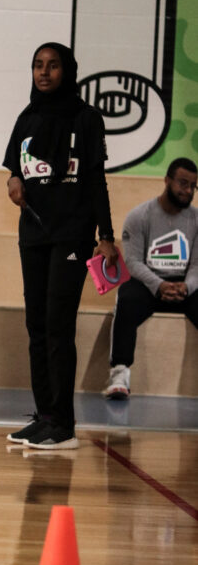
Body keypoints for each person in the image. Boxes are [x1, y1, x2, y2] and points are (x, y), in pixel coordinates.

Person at [3, 42, 118, 449]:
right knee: (36, 325)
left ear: (67, 71)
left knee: (57, 325)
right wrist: (13, 182)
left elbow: (95, 179)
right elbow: (14, 170)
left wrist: (105, 234)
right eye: (37, 65)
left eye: (52, 66)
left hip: (71, 233)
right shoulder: (27, 117)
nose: (44, 72)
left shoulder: (87, 119)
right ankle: (45, 416)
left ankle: (64, 425)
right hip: (33, 233)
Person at [104, 157, 198, 398]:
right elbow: (133, 262)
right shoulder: (140, 216)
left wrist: (186, 287)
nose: (187, 191)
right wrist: (159, 285)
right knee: (126, 298)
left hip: (184, 284)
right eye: (182, 183)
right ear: (167, 180)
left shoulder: (197, 219)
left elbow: (197, 264)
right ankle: (120, 373)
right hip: (149, 282)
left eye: (192, 186)